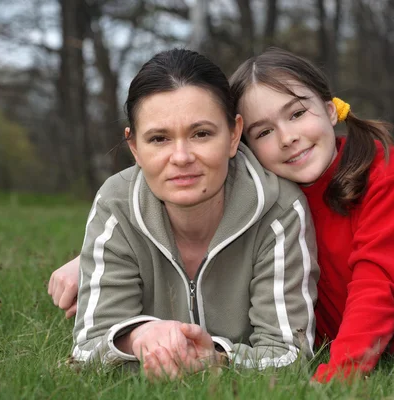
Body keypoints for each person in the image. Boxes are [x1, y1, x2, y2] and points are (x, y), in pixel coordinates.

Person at [50, 47, 394, 382]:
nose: (288, 138)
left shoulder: (369, 177)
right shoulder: (282, 189)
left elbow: (377, 285)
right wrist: (90, 259)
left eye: (298, 113)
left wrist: (337, 379)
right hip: (341, 309)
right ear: (246, 142)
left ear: (331, 111)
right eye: (266, 130)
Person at [57, 48, 319, 380]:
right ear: (135, 147)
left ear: (234, 135)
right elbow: (86, 349)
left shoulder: (279, 209)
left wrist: (217, 359)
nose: (181, 157)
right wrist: (138, 337)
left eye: (201, 134)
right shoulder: (116, 204)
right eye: (159, 138)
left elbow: (289, 357)